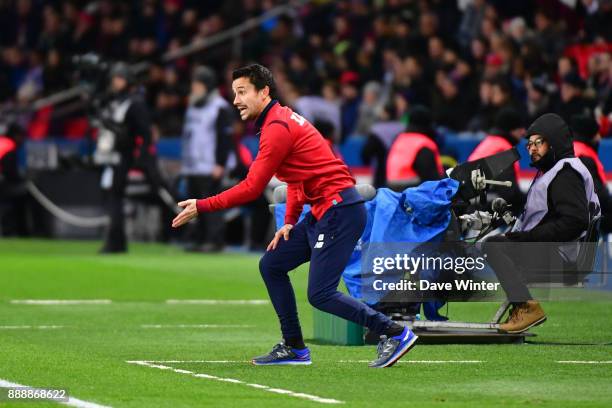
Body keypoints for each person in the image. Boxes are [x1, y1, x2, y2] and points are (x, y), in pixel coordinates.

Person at [172, 64, 417, 368]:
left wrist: (202, 205)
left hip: (339, 211)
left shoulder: (276, 128)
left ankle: (392, 332)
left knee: (321, 293)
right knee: (272, 265)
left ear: (264, 92)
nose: (236, 100)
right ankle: (295, 347)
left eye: (242, 92)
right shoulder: (278, 119)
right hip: (328, 211)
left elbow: (251, 188)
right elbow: (298, 178)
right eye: (234, 92)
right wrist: (290, 220)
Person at [485, 113, 600, 333]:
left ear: (554, 141)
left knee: (495, 246)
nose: (532, 149)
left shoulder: (565, 173)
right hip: (563, 253)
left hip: (565, 258)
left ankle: (526, 307)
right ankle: (522, 307)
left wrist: (526, 238)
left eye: (539, 142)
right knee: (495, 243)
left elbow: (574, 222)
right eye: (529, 144)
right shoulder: (556, 170)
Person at [97, 62, 168, 253]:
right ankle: (116, 241)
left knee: (120, 197)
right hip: (114, 155)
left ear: (127, 80)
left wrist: (142, 157)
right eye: (114, 78)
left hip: (127, 156)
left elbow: (145, 133)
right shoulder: (114, 101)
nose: (115, 82)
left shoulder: (134, 103)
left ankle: (116, 243)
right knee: (113, 197)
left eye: (119, 78)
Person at [181, 65, 234, 252]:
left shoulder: (220, 107)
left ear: (207, 85)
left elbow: (225, 138)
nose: (194, 88)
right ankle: (200, 238)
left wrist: (220, 163)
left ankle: (215, 240)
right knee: (195, 205)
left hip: (210, 165)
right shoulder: (193, 105)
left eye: (197, 84)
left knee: (211, 204)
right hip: (193, 166)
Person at [468, 108, 526, 214]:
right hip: (483, 211)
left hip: (471, 207)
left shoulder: (489, 142)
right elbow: (509, 193)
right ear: (511, 129)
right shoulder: (502, 150)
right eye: (519, 127)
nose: (523, 132)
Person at [386, 105, 444, 191]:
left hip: (391, 190)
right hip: (413, 192)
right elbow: (432, 181)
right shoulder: (424, 144)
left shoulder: (399, 139)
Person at [571, 113, 611, 233]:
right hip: (582, 218)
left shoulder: (568, 150)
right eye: (597, 134)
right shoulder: (585, 158)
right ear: (590, 135)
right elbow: (598, 196)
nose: (599, 138)